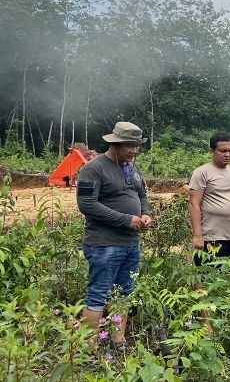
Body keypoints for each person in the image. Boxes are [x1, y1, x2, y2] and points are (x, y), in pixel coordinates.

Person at [77, 121, 152, 351]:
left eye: (137, 145)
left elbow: (141, 195)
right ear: (115, 143)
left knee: (125, 292)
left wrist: (145, 213)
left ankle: (117, 342)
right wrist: (126, 219)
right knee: (99, 293)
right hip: (104, 244)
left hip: (131, 243)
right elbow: (87, 204)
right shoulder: (93, 169)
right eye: (129, 145)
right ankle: (89, 348)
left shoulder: (132, 167)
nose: (134, 150)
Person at [188, 133, 230, 266]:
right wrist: (198, 235)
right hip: (210, 237)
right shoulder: (202, 173)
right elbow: (194, 203)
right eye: (223, 151)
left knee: (228, 279)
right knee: (207, 278)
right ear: (211, 151)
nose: (228, 154)